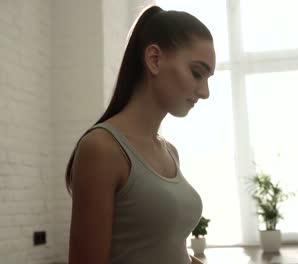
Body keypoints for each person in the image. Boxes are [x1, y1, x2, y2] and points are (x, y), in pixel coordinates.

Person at [65, 5, 215, 264]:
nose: (205, 92)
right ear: (154, 59)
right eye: (197, 73)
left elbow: (162, 249)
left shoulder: (169, 151)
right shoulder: (101, 148)